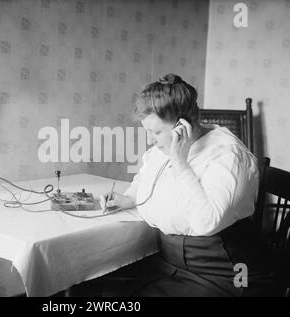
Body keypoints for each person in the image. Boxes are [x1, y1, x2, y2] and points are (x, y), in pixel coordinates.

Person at [98, 73, 275, 297]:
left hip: (229, 273)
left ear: (183, 125)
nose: (150, 140)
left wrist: (180, 162)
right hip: (171, 263)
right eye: (147, 131)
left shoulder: (228, 155)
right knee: (106, 290)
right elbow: (146, 177)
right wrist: (129, 198)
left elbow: (207, 222)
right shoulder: (162, 148)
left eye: (156, 132)